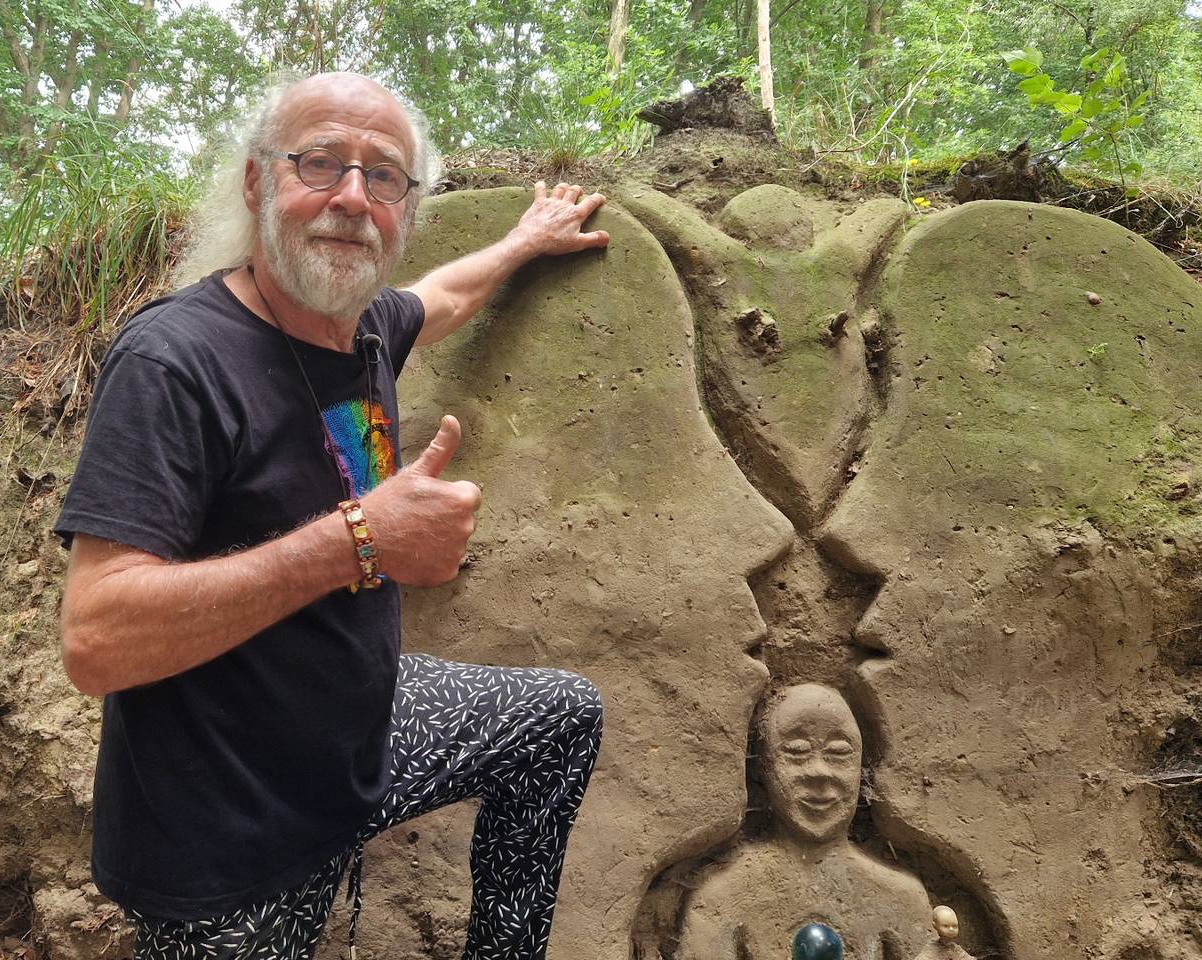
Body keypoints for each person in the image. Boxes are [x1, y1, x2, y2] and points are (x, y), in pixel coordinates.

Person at [54, 71, 608, 960]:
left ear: (406, 207)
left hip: (362, 740)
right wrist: (362, 540)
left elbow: (444, 298)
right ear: (256, 182)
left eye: (383, 176)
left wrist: (523, 242)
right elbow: (96, 639)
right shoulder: (174, 362)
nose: (352, 197)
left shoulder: (365, 328)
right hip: (229, 844)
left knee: (559, 714)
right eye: (320, 164)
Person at [677, 684, 931, 960]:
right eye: (797, 752)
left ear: (862, 767)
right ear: (762, 767)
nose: (819, 772)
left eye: (838, 752)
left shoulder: (901, 900)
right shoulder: (722, 900)